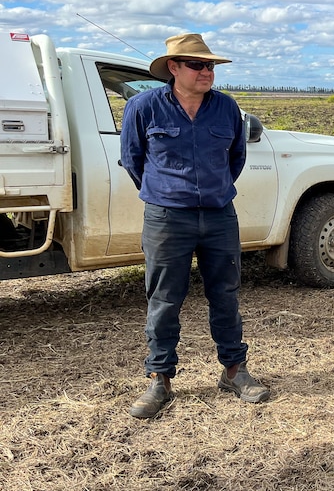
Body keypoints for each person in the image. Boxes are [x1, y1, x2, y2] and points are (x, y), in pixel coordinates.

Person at [121, 33, 270, 419]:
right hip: (167, 217)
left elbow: (234, 158)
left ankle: (234, 370)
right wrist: (166, 193)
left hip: (219, 215)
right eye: (197, 65)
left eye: (211, 66)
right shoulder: (144, 107)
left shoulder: (226, 109)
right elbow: (133, 159)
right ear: (173, 68)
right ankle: (160, 379)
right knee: (164, 298)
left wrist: (213, 191)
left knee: (226, 294)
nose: (207, 72)